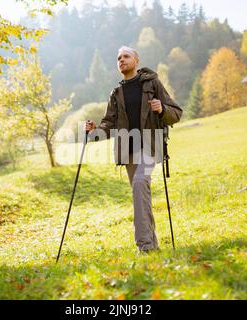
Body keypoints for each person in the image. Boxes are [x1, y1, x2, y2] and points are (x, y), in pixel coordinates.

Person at [85, 46, 182, 253]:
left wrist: (162, 109)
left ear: (136, 60)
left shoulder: (151, 84)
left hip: (149, 146)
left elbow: (176, 112)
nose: (121, 60)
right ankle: (152, 244)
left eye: (126, 56)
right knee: (141, 194)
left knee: (139, 184)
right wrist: (94, 133)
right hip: (127, 150)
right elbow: (108, 124)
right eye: (118, 57)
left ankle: (144, 246)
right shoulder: (116, 93)